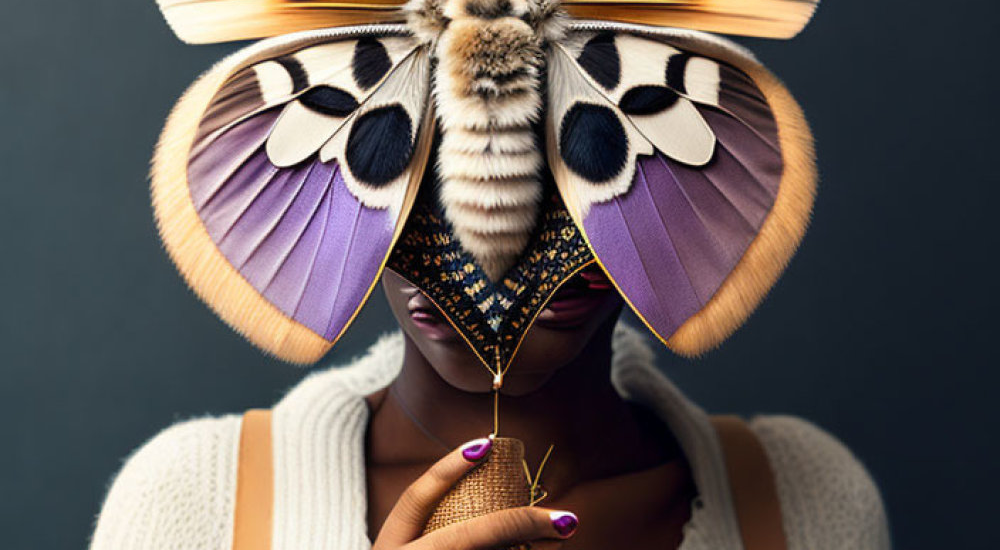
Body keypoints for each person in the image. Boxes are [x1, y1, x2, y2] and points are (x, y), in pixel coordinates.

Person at [90, 266, 890, 549]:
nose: (491, 235)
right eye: (435, 170)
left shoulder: (802, 497)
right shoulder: (196, 502)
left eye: (561, 169)